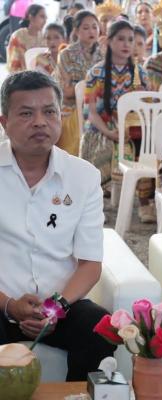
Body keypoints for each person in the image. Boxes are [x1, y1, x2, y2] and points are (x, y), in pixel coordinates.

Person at [0, 70, 116, 381]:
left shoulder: (83, 176)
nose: (40, 122)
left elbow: (90, 264)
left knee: (101, 328)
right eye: (26, 113)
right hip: (2, 302)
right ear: (4, 122)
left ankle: (75, 396)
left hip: (61, 304)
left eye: (49, 112)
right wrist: (9, 305)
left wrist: (55, 308)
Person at [81, 20, 147, 191]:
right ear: (109, 42)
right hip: (101, 131)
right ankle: (105, 189)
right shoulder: (96, 73)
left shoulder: (140, 73)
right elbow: (91, 113)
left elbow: (146, 110)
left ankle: (137, 193)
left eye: (130, 39)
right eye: (121, 39)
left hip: (132, 131)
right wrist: (110, 133)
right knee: (107, 148)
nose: (127, 44)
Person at [54, 10, 103, 157]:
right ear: (76, 31)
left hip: (98, 106)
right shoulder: (66, 55)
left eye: (94, 27)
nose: (91, 31)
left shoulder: (104, 54)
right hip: (71, 108)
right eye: (86, 28)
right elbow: (65, 91)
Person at [6, 4, 46, 72]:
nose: (45, 21)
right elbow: (13, 66)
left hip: (40, 76)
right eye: (42, 16)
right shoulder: (18, 36)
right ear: (31, 17)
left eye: (45, 18)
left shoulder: (44, 37)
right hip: (21, 76)